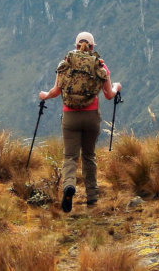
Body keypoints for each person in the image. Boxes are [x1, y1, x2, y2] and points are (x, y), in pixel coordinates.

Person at [39, 31, 122, 212]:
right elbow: (109, 95)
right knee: (89, 156)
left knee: (70, 156)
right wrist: (117, 87)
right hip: (92, 117)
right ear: (92, 47)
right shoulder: (100, 65)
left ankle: (69, 186)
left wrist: (44, 95)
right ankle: (92, 197)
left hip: (70, 117)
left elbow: (55, 91)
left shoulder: (65, 64)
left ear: (76, 45)